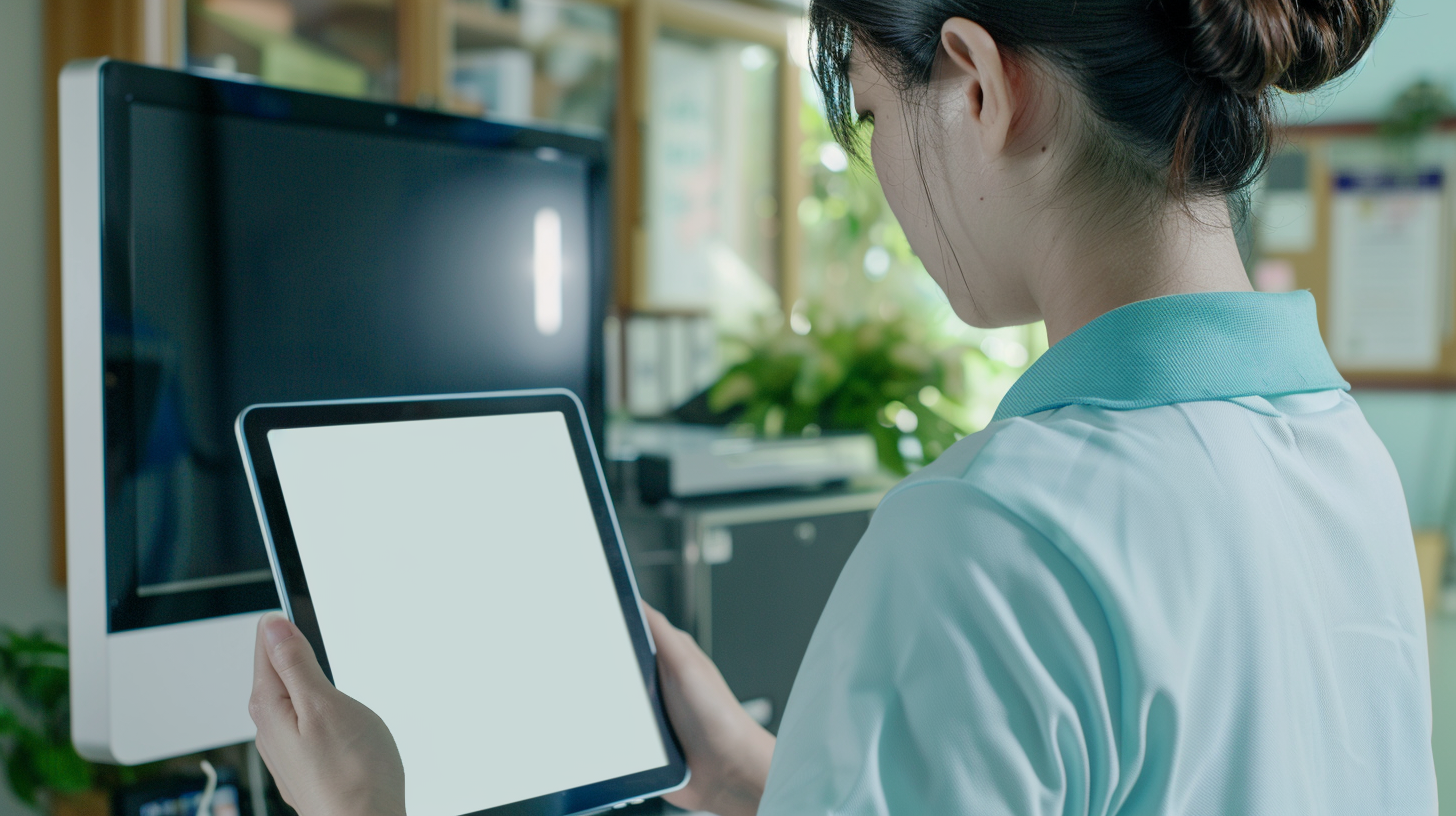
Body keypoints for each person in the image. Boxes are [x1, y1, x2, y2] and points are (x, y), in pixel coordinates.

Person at [250, 0, 1436, 813]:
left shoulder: (992, 536)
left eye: (869, 112)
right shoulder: (1341, 455)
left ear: (975, 83)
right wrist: (769, 781)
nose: (879, 173)